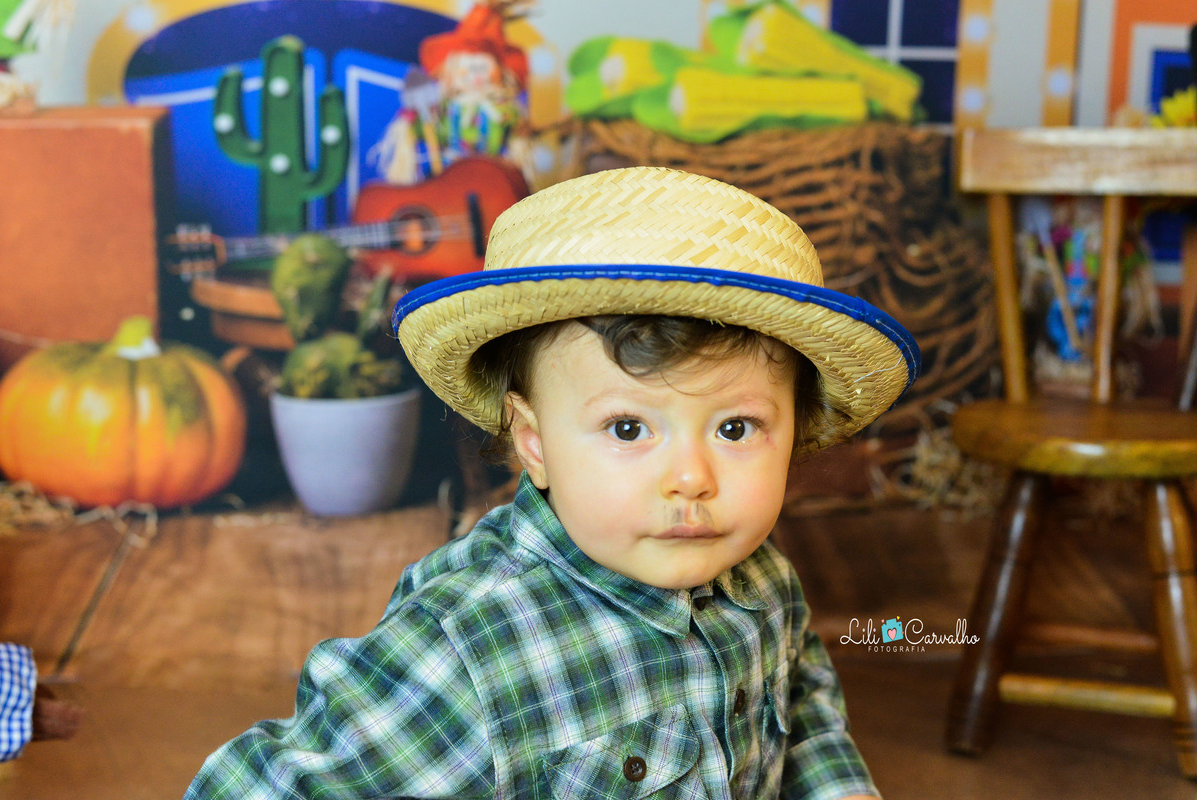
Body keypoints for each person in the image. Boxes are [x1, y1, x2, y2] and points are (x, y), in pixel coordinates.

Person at [186, 166, 919, 800]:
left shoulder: (764, 582)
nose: (692, 479)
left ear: (795, 430)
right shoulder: (471, 643)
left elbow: (802, 699)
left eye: (736, 429)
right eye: (629, 429)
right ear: (534, 443)